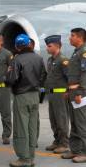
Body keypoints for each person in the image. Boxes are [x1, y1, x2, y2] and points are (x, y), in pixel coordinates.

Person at [7, 34, 46, 167]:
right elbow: (43, 76)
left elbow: (12, 79)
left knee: (21, 127)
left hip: (22, 95)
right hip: (35, 95)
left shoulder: (17, 60)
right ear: (29, 44)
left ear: (18, 46)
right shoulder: (39, 58)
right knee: (32, 126)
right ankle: (31, 156)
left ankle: (24, 158)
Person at [62, 28, 86, 163]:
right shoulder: (76, 52)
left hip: (81, 94)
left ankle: (84, 152)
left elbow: (84, 75)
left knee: (82, 123)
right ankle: (76, 150)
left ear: (80, 38)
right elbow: (73, 75)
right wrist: (68, 90)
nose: (69, 38)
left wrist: (79, 93)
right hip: (73, 92)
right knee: (75, 123)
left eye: (72, 36)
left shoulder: (84, 53)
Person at [44, 35, 70, 154]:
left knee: (61, 119)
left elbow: (70, 77)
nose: (47, 48)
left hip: (61, 95)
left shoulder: (63, 60)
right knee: (53, 119)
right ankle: (57, 141)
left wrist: (69, 92)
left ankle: (64, 143)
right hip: (52, 95)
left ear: (57, 46)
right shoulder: (50, 60)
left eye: (49, 46)